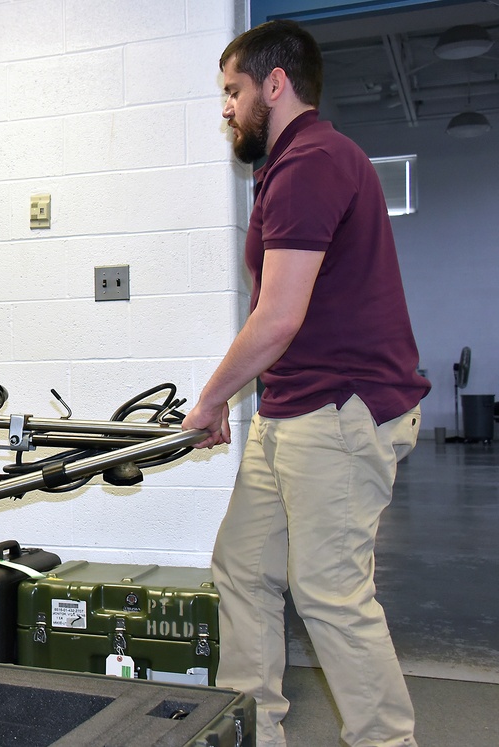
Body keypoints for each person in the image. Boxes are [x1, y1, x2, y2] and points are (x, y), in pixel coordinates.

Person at [181, 20, 430, 747]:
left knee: (332, 593)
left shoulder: (312, 162)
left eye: (233, 91)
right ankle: (253, 734)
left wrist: (213, 394)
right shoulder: (286, 165)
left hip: (340, 413)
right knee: (244, 567)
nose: (226, 107)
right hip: (293, 410)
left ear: (275, 84)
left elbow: (278, 315)